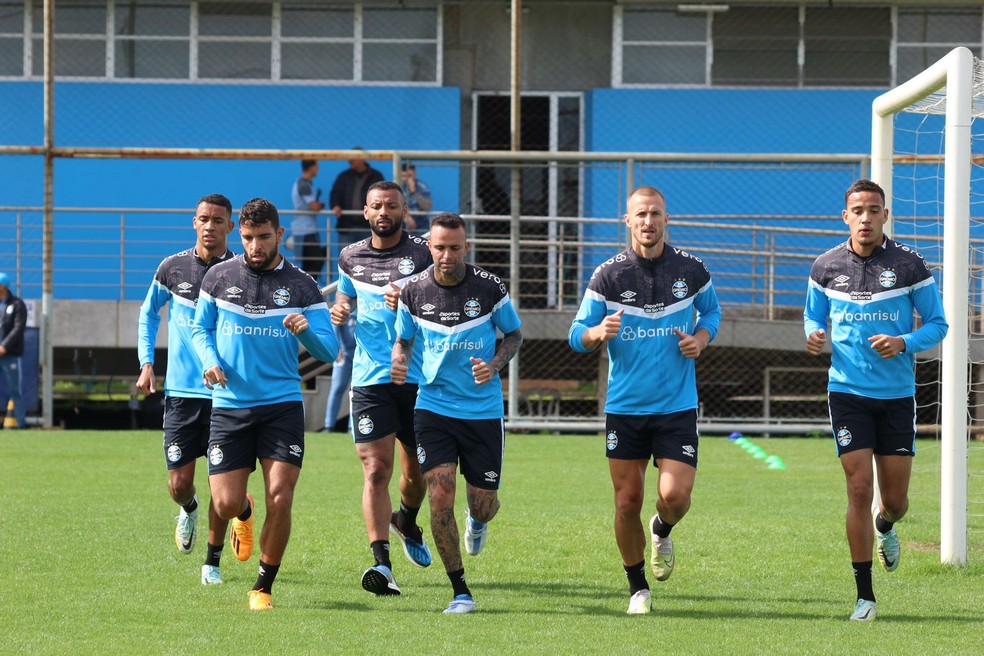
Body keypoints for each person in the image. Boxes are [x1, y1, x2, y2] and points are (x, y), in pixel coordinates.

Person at [568, 186, 722, 616]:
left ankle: (662, 528)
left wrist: (701, 339)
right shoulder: (608, 276)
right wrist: (596, 333)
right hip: (625, 409)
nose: (648, 221)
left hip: (676, 406)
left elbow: (712, 312)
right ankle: (637, 587)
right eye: (641, 214)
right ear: (628, 220)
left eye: (655, 214)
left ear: (666, 219)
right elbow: (575, 334)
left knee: (675, 497)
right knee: (626, 502)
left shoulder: (691, 269)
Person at [804, 179, 947, 622]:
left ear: (885, 215)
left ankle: (885, 524)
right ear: (845, 216)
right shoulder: (825, 266)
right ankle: (864, 596)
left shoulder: (909, 265)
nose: (865, 218)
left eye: (873, 210)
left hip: (897, 396)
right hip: (847, 392)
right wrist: (813, 333)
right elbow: (812, 314)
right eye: (858, 211)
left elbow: (938, 324)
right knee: (859, 487)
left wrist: (903, 342)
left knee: (896, 501)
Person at [191, 197, 339, 611]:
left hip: (281, 406)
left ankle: (262, 588)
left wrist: (306, 332)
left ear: (280, 235)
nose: (256, 246)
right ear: (240, 235)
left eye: (264, 237)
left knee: (281, 496)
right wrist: (209, 360)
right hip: (230, 404)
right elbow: (200, 329)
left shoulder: (303, 285)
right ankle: (243, 510)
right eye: (248, 237)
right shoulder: (219, 277)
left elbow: (329, 351)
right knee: (225, 503)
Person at [391, 212, 522, 614]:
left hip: (482, 411)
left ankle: (477, 521)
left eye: (454, 247)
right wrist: (399, 358)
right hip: (434, 407)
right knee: (439, 497)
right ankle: (460, 591)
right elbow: (403, 340)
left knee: (483, 505)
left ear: (466, 246)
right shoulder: (413, 291)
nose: (446, 255)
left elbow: (514, 334)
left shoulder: (489, 288)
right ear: (429, 246)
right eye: (439, 247)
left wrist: (494, 365)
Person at [329, 180, 434, 596]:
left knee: (418, 474)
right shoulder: (350, 256)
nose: (384, 212)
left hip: (418, 376)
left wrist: (409, 300)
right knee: (375, 470)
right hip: (370, 377)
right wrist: (340, 309)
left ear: (404, 211)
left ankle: (406, 520)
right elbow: (345, 298)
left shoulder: (426, 252)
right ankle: (382, 564)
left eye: (392, 205)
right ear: (366, 212)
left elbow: (445, 301)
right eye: (377, 206)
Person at [137, 193, 237, 585]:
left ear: (230, 227)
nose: (210, 226)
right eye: (203, 219)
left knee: (221, 485)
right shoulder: (173, 267)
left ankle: (212, 563)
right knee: (178, 485)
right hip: (181, 393)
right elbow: (149, 313)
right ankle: (190, 508)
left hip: (226, 395)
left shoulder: (240, 271)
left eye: (217, 220)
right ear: (194, 222)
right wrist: (147, 362)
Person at [324, 150, 383, 432]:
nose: (350, 162)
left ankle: (351, 426)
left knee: (354, 388)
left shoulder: (375, 176)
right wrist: (335, 205)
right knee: (340, 386)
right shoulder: (344, 177)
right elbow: (337, 314)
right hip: (347, 227)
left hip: (372, 355)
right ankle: (329, 426)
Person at [290, 159, 327, 284]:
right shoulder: (304, 185)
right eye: (317, 166)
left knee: (308, 262)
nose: (318, 169)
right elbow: (314, 206)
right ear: (311, 167)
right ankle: (309, 285)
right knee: (316, 260)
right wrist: (320, 206)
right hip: (305, 230)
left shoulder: (304, 183)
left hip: (305, 229)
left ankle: (306, 287)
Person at [0, 271, 28, 429]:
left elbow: (18, 328)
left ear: (3, 286)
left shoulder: (17, 304)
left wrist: (4, 346)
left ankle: (20, 423)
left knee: (14, 390)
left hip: (10, 354)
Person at [400, 162, 429, 229]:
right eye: (404, 176)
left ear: (415, 174)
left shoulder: (422, 187)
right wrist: (405, 215)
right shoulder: (397, 186)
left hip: (421, 221)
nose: (406, 179)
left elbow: (427, 207)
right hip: (402, 219)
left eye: (409, 176)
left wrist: (414, 192)